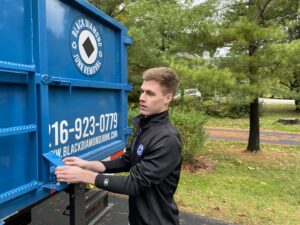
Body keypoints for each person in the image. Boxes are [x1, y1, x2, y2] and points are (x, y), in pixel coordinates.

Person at [55, 67, 182, 225]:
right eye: (142, 91)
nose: (142, 98)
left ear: (168, 98)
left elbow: (134, 184)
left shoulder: (166, 139)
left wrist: (84, 175)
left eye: (150, 93)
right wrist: (89, 165)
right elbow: (127, 160)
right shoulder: (147, 127)